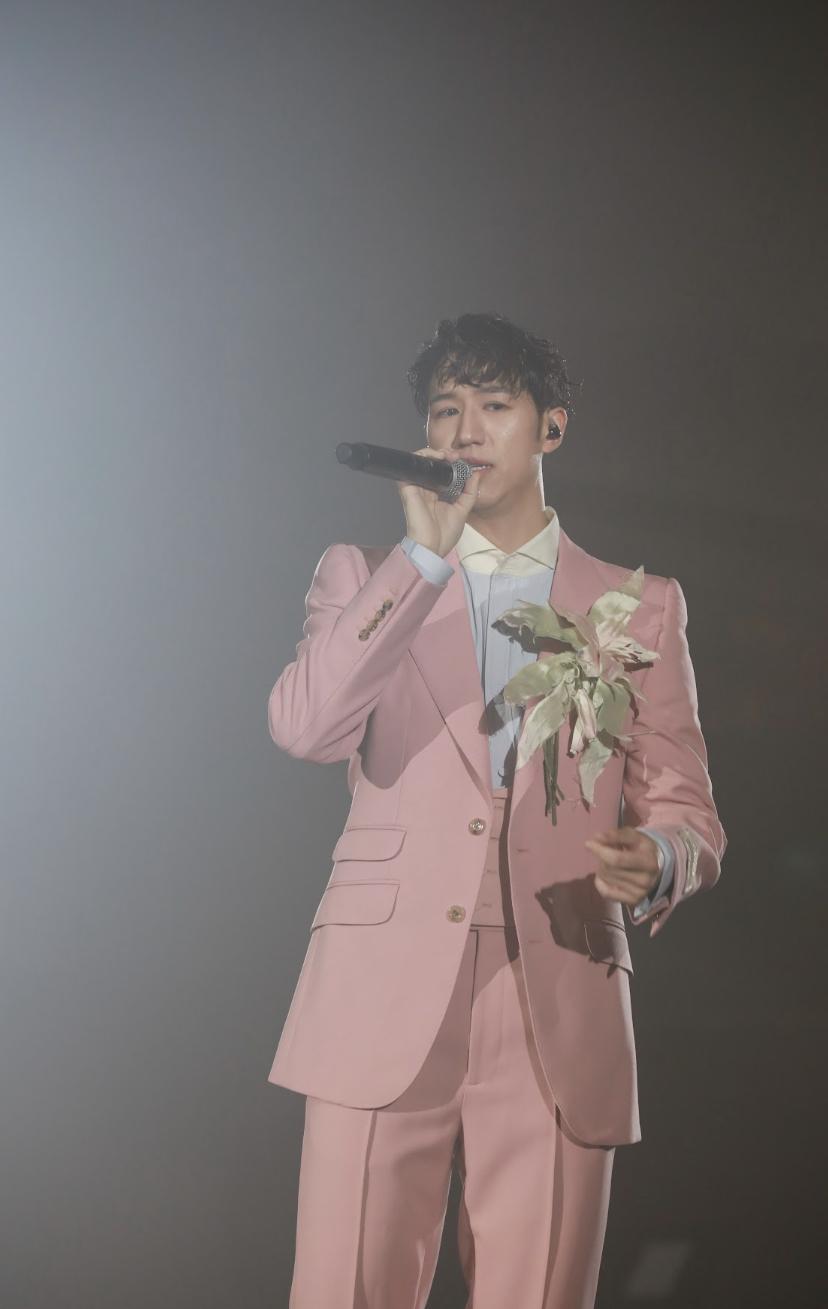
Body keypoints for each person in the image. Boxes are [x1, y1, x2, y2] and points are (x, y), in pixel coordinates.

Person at [266, 312, 727, 1308]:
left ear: (551, 426)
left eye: (493, 404)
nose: (465, 430)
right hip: (381, 983)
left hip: (560, 971)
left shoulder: (641, 604)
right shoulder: (365, 575)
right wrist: (420, 561)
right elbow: (305, 727)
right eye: (445, 410)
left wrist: (659, 854)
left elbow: (690, 810)